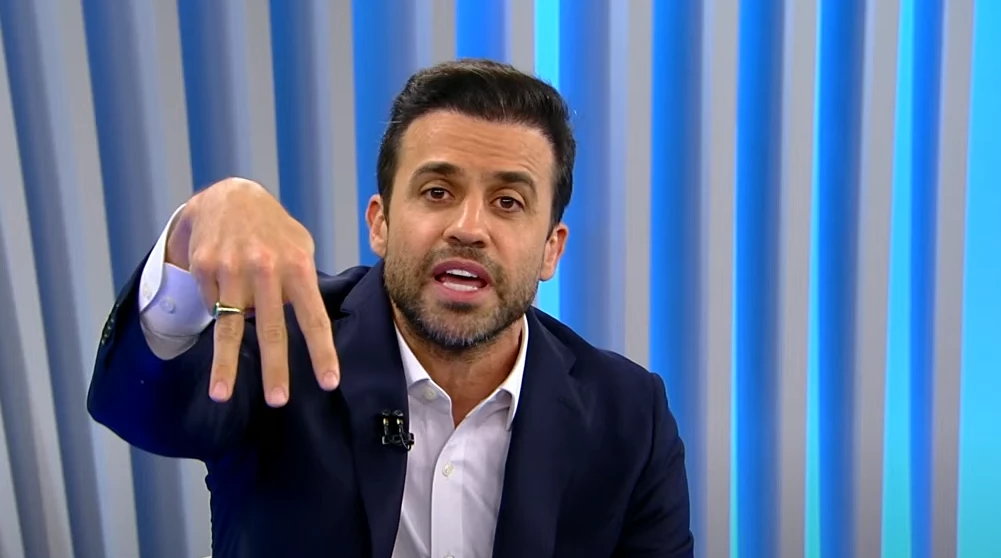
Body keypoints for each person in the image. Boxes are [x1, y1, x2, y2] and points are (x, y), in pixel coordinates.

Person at [88, 58, 694, 558]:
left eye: (508, 202)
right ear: (379, 223)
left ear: (551, 250)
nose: (469, 227)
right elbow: (140, 407)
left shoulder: (629, 416)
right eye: (437, 191)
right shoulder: (284, 342)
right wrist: (191, 235)